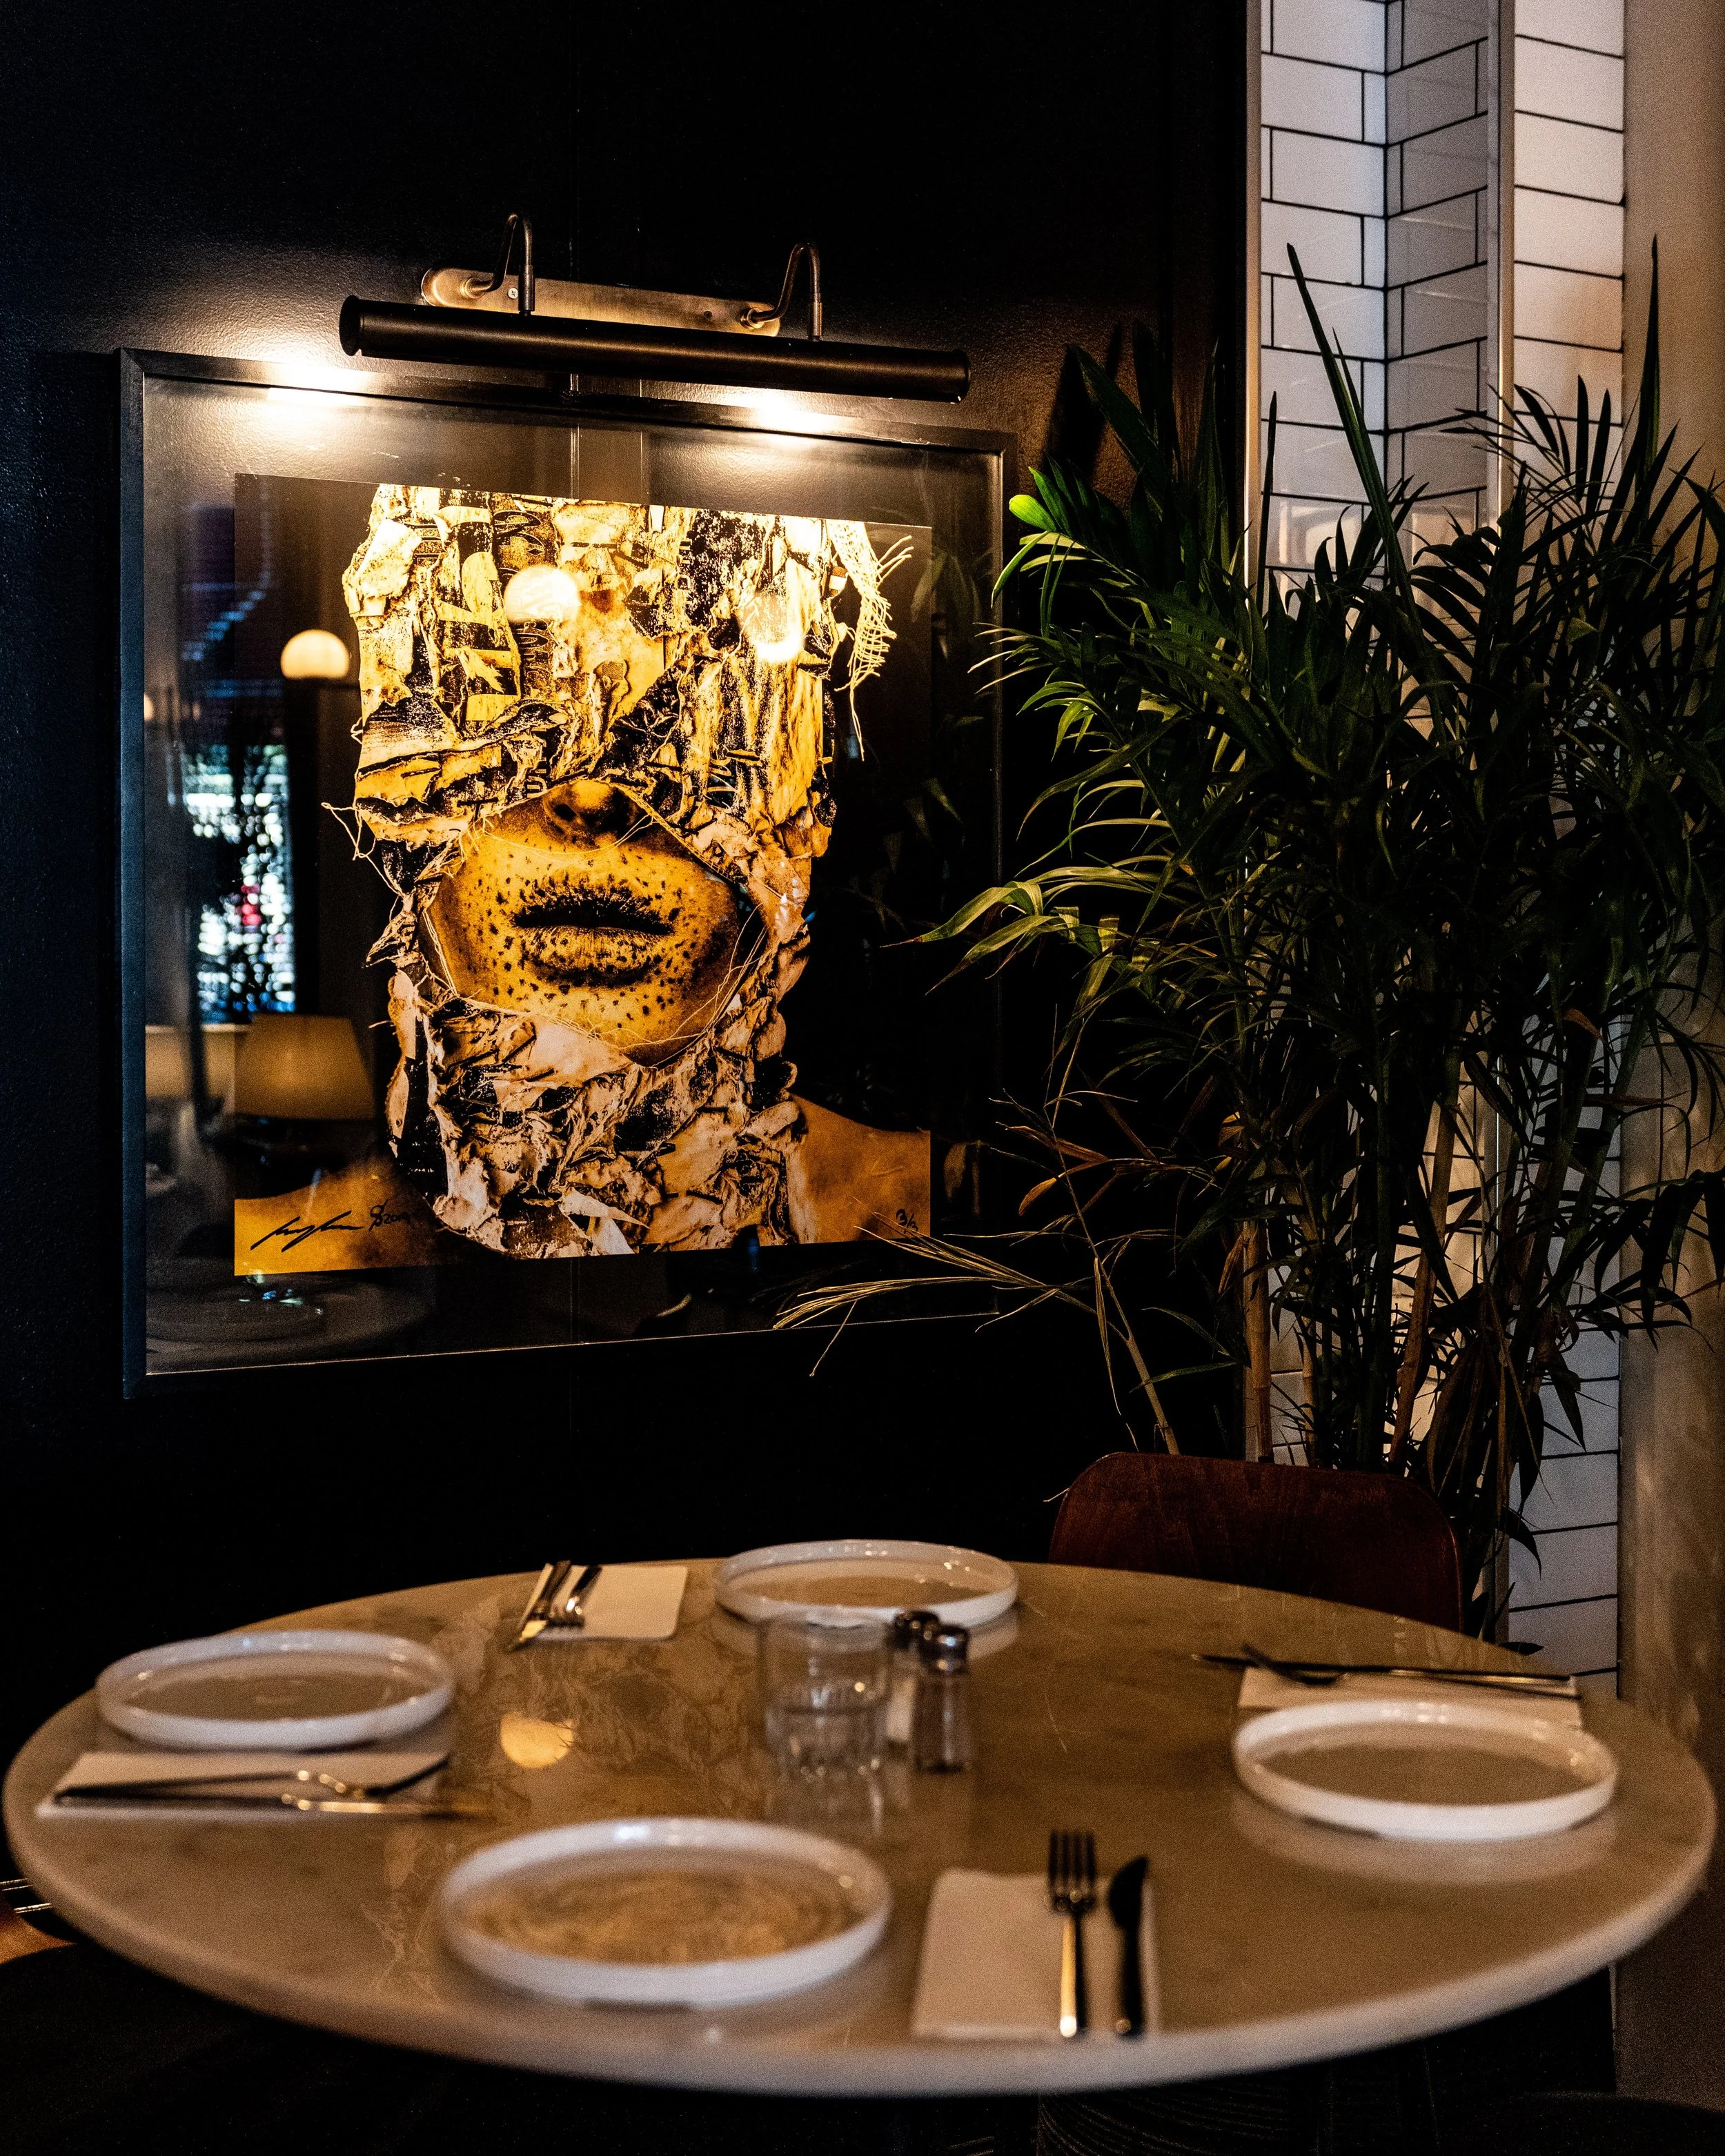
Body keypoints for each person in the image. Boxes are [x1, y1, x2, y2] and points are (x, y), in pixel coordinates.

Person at [235, 488, 926, 1272]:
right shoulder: (266, 1268)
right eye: (503, 716)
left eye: (687, 718)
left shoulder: (957, 1224)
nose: (593, 800)